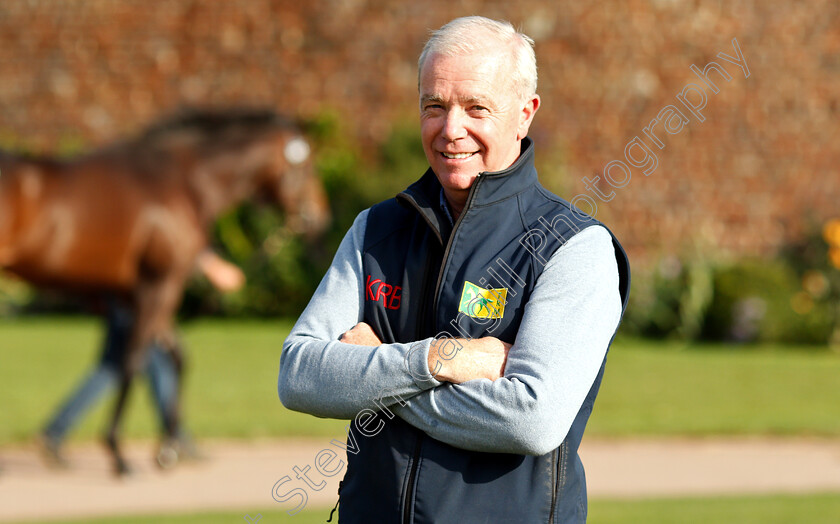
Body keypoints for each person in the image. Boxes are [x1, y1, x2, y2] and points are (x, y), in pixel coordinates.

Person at [278, 16, 630, 523]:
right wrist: (442, 360)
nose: (451, 129)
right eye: (434, 107)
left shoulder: (575, 249)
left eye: (476, 108)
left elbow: (531, 419)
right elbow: (298, 375)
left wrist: (378, 376)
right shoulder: (375, 230)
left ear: (524, 114)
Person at [39, 250, 244, 469]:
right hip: (136, 301)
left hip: (128, 298)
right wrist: (208, 263)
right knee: (157, 367)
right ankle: (176, 437)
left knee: (112, 369)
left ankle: (55, 431)